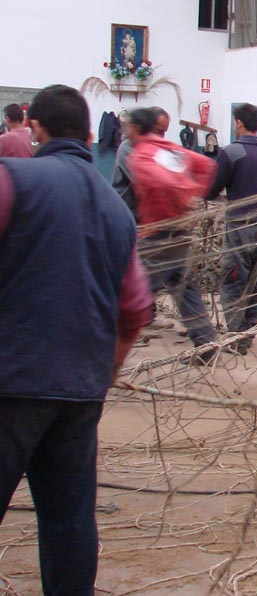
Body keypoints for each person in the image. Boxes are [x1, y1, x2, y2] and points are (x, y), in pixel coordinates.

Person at [0, 85, 153, 596]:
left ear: (34, 129)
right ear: (90, 136)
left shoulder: (12, 179)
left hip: (12, 381)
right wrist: (99, 382)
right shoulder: (116, 210)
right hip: (79, 391)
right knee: (68, 521)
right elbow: (134, 312)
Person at [128, 107, 219, 361]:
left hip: (157, 235)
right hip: (179, 232)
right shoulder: (170, 150)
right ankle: (205, 345)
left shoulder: (142, 155)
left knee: (132, 294)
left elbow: (166, 182)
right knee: (185, 290)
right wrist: (191, 194)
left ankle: (101, 353)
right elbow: (207, 165)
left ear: (136, 128)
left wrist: (184, 192)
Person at [206, 103, 257, 355]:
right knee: (254, 281)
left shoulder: (231, 152)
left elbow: (212, 189)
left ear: (238, 123)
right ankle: (248, 330)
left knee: (234, 279)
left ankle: (236, 337)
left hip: (239, 226)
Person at [112, 107, 169, 220]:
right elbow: (147, 181)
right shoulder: (127, 148)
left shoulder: (156, 148)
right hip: (128, 215)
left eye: (164, 132)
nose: (161, 136)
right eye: (158, 131)